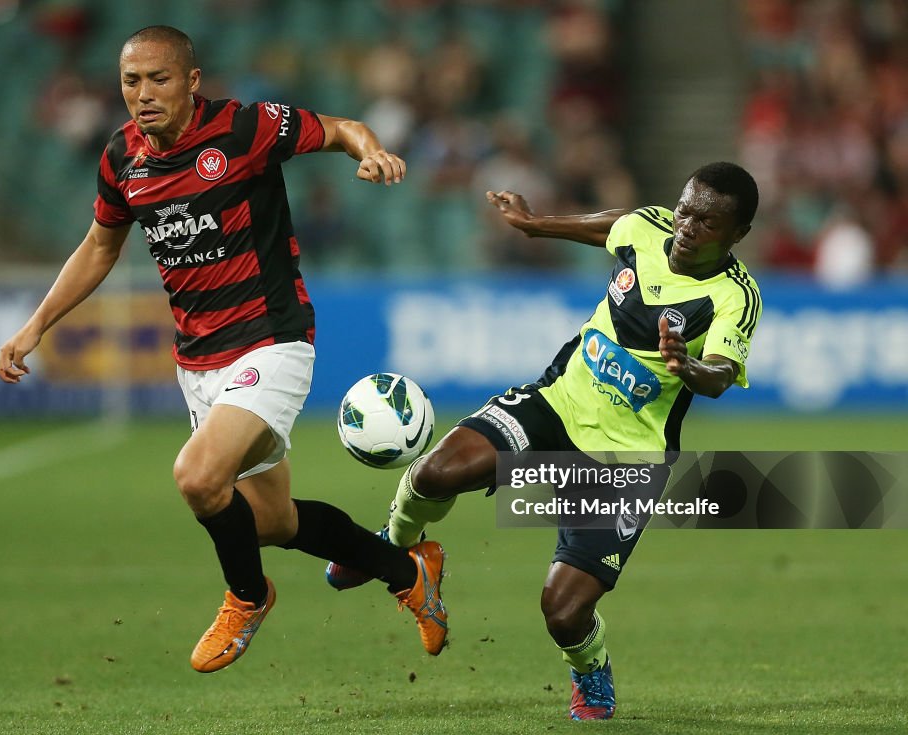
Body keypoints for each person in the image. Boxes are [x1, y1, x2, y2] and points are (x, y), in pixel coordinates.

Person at [0, 25, 448, 673]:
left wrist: (370, 152)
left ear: (191, 80)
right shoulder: (122, 157)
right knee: (269, 521)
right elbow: (101, 245)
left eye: (159, 79)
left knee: (198, 477)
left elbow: (341, 126)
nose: (144, 94)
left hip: (272, 339)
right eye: (131, 81)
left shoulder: (244, 128)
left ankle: (247, 595)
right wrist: (36, 323)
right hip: (197, 362)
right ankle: (407, 569)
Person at [326, 162, 761, 719]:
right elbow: (611, 226)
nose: (687, 226)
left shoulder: (734, 295)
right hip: (556, 402)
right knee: (436, 471)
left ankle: (591, 668)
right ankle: (394, 550)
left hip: (624, 457)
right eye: (686, 209)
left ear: (736, 235)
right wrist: (534, 224)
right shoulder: (649, 226)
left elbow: (722, 374)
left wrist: (689, 366)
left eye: (707, 222)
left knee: (562, 611)